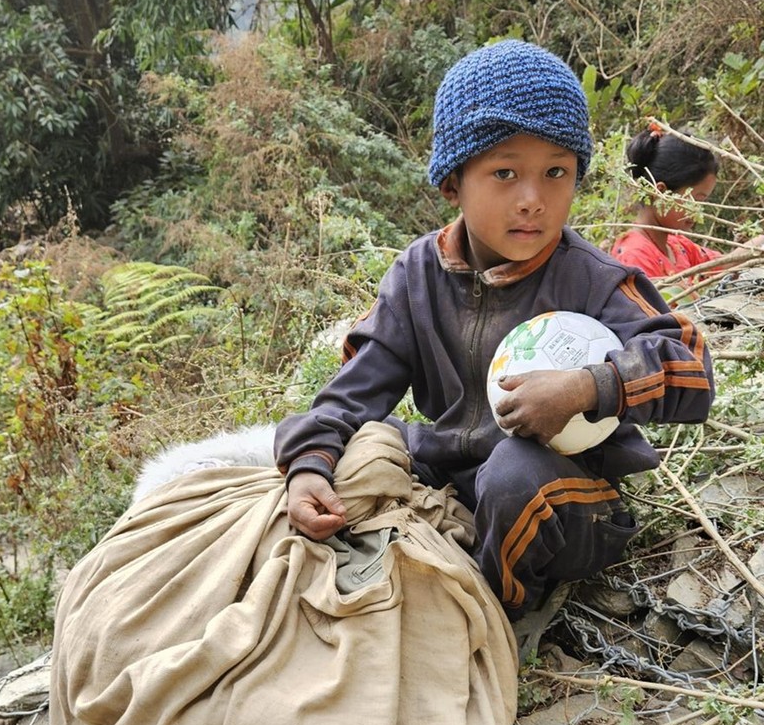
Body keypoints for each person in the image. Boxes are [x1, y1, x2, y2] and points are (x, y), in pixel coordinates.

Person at [274, 40, 715, 621]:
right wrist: (309, 463)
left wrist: (587, 387)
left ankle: (493, 612)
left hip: (569, 500)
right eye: (504, 172)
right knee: (366, 445)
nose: (532, 200)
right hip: (454, 473)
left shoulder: (595, 278)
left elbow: (690, 367)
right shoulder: (416, 276)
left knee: (513, 475)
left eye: (556, 172)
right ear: (453, 183)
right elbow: (356, 390)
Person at [610, 124, 723, 280]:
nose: (699, 211)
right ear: (661, 192)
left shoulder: (678, 246)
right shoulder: (634, 257)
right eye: (696, 200)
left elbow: (725, 264)